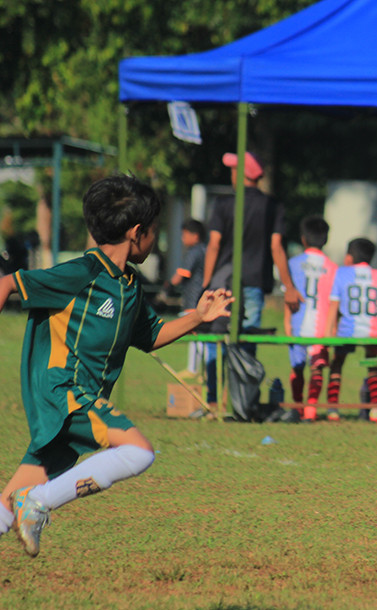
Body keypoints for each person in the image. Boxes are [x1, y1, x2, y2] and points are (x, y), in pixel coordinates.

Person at [0, 174, 233, 557]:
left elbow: (151, 335)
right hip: (65, 392)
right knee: (138, 452)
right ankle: (39, 503)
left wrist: (198, 316)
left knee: (8, 503)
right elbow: (9, 283)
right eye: (155, 230)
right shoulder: (83, 273)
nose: (156, 239)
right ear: (137, 233)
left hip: (79, 398)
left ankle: (25, 501)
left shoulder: (128, 284)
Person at [201, 150, 303, 406]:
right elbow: (276, 247)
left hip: (223, 282)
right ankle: (243, 401)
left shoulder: (224, 204)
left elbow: (213, 245)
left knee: (216, 338)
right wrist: (288, 286)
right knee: (247, 339)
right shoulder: (273, 205)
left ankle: (213, 400)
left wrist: (206, 282)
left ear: (241, 173)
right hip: (254, 282)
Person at [327, 237, 377, 424]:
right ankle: (376, 409)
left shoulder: (341, 273)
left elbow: (333, 306)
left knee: (337, 363)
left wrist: (329, 334)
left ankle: (332, 408)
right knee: (373, 365)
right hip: (374, 331)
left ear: (349, 256)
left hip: (347, 331)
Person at [285, 216, 338, 422]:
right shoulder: (332, 267)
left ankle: (298, 406)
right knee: (317, 368)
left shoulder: (292, 264)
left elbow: (288, 296)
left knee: (297, 368)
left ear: (303, 239)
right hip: (322, 327)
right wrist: (332, 328)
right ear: (326, 240)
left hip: (298, 324)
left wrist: (287, 323)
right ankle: (311, 410)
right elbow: (334, 302)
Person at [163, 218, 207, 377]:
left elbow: (182, 274)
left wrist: (167, 286)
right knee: (201, 336)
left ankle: (194, 369)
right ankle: (201, 369)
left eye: (184, 234)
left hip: (193, 299)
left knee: (195, 334)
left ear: (195, 235)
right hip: (201, 297)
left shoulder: (193, 252)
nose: (182, 238)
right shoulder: (205, 250)